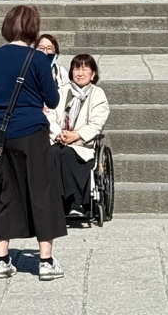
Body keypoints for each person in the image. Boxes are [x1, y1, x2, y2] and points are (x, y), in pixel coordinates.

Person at [0, 3, 66, 281]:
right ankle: (45, 261)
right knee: (42, 191)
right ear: (33, 29)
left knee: (4, 192)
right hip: (31, 132)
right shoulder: (37, 59)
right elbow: (53, 99)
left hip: (0, 134)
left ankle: (1, 259)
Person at [48, 52, 110, 218]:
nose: (80, 73)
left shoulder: (98, 94)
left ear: (93, 74)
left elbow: (96, 124)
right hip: (59, 139)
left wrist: (77, 136)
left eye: (85, 69)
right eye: (76, 69)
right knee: (54, 152)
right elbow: (50, 116)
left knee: (68, 153)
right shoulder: (62, 91)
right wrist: (58, 134)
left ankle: (76, 202)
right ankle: (58, 201)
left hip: (83, 144)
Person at [36, 32, 70, 117]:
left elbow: (66, 94)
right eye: (41, 48)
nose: (45, 52)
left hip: (57, 113)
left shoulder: (61, 72)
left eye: (49, 48)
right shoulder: (30, 70)